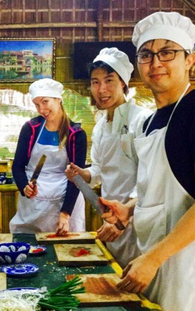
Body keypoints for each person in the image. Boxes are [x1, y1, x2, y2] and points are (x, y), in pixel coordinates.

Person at [100, 12, 195, 311]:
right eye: (146, 55)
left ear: (190, 59)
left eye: (167, 52)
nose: (156, 63)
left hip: (191, 262)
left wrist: (154, 258)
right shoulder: (149, 122)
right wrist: (130, 208)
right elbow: (156, 186)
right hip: (150, 254)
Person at [65, 47, 152, 268]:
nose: (101, 89)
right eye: (95, 82)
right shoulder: (101, 126)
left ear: (123, 82)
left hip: (138, 219)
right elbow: (99, 171)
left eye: (109, 80)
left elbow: (149, 178)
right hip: (110, 219)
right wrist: (81, 174)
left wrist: (127, 215)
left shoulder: (142, 120)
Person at [10, 79, 87, 235]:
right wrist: (24, 186)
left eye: (45, 102)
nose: (41, 109)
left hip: (66, 200)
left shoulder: (76, 134)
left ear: (58, 99)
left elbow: (76, 177)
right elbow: (17, 166)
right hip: (34, 203)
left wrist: (65, 214)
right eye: (37, 104)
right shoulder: (30, 129)